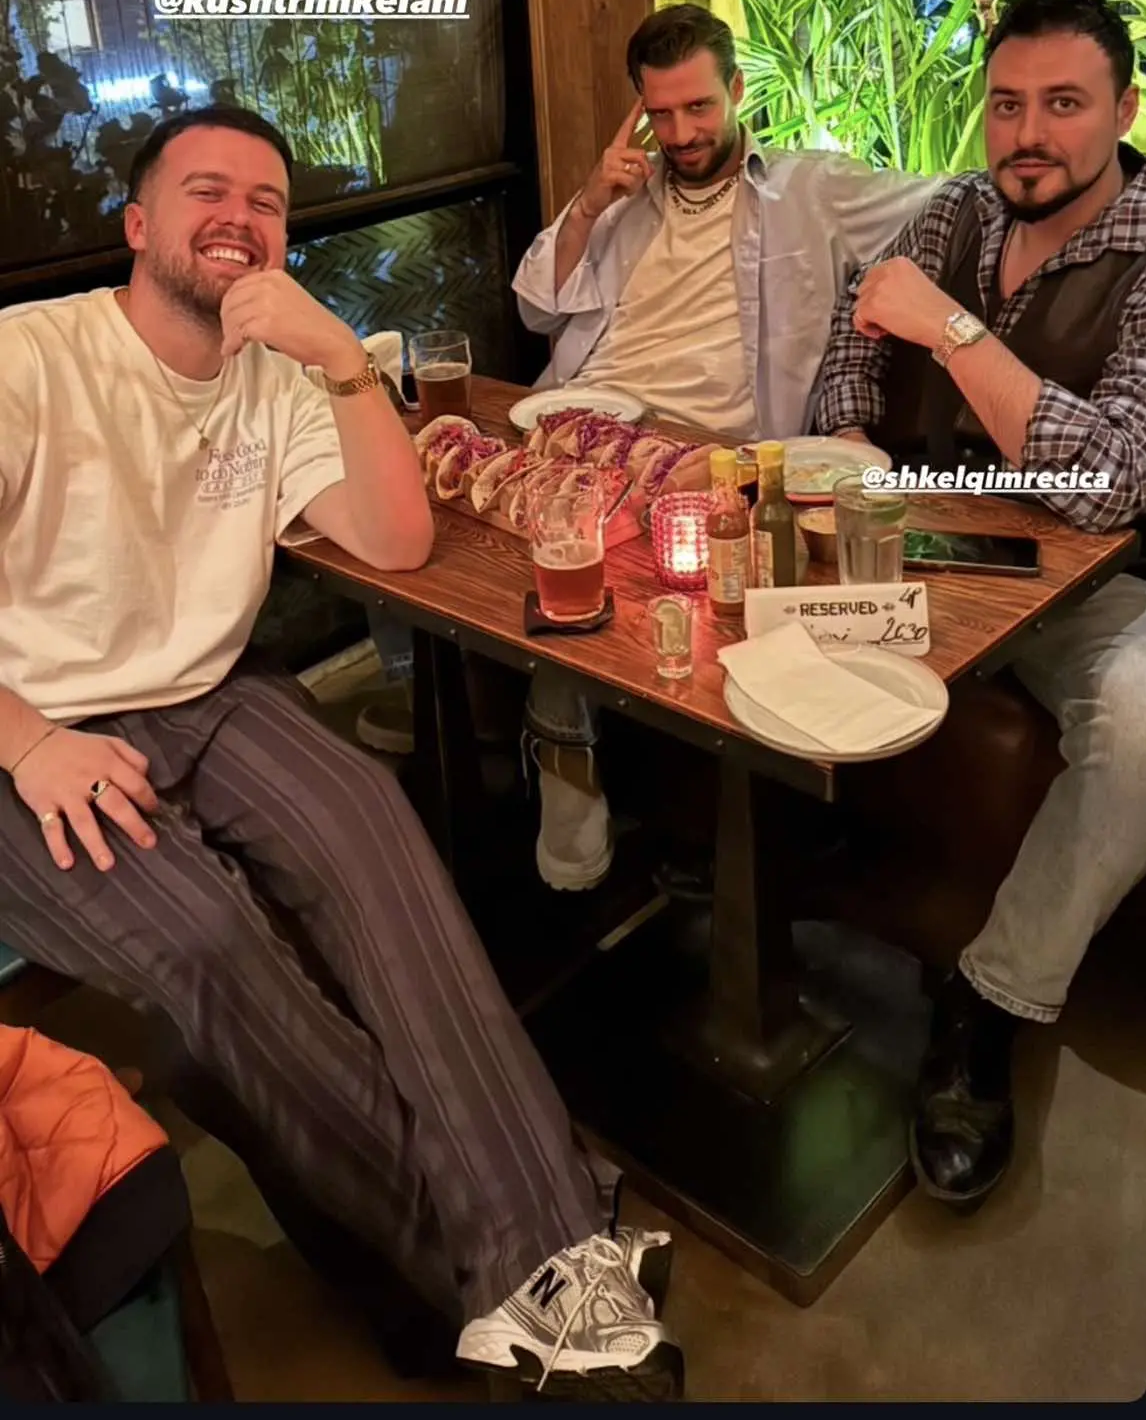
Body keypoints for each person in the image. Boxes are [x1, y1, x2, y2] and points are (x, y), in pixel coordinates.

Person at [0, 106, 682, 1400]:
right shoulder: (30, 357)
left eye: (265, 202)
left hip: (208, 693)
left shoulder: (277, 375)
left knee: (373, 821)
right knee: (213, 944)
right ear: (137, 225)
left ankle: (537, 1271)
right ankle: (538, 1262)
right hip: (28, 735)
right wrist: (28, 740)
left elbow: (395, 539)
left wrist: (338, 359)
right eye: (206, 192)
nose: (239, 219)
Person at [812, 0, 1146, 1208]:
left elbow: (1113, 480)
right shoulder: (955, 208)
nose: (1027, 133)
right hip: (909, 539)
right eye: (1005, 104)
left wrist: (951, 327)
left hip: (1078, 584)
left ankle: (988, 999)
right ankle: (723, 876)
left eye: (1061, 103)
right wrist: (848, 435)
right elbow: (853, 329)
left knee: (1144, 722)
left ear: (1122, 108)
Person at [512, 2, 936, 890]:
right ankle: (542, 741)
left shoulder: (810, 189)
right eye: (661, 114)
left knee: (592, 559)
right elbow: (536, 310)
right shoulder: (625, 201)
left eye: (699, 107)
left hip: (710, 454)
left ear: (737, 88)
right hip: (583, 423)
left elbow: (955, 200)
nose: (681, 134)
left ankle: (565, 748)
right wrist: (588, 203)